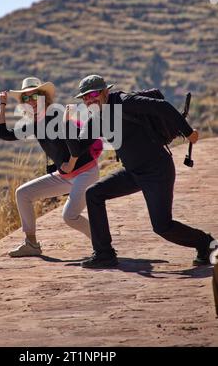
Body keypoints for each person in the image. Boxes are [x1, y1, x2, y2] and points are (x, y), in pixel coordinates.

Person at [64, 74, 215, 269]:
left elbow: (163, 107)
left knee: (162, 226)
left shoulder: (125, 102)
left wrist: (188, 132)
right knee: (94, 194)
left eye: (93, 94)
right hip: (132, 173)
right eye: (85, 97)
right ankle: (104, 254)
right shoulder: (96, 119)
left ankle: (207, 244)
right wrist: (67, 123)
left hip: (157, 170)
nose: (89, 99)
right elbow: (77, 149)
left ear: (105, 92)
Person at [0, 76, 101, 257]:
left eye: (35, 96)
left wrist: (71, 163)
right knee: (23, 194)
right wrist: (3, 105)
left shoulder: (57, 115)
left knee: (70, 216)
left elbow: (77, 142)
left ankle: (102, 244)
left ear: (44, 97)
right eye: (26, 98)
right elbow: (4, 134)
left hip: (85, 172)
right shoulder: (34, 124)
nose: (31, 101)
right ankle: (31, 244)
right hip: (65, 175)